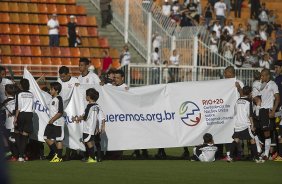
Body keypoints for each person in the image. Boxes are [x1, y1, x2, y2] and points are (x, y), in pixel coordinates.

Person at [227, 86, 264, 163]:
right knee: (252, 140)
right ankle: (257, 158)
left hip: (237, 123)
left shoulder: (238, 100)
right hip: (245, 124)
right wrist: (252, 125)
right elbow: (250, 115)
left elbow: (235, 112)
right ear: (250, 93)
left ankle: (230, 157)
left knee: (236, 139)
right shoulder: (249, 101)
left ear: (243, 92)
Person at [73, 88, 106, 162]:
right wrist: (102, 127)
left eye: (86, 95)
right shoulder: (97, 106)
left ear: (88, 97)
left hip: (88, 128)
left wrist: (76, 119)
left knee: (88, 142)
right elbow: (102, 117)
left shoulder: (89, 106)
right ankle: (98, 157)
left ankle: (92, 158)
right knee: (94, 142)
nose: (85, 97)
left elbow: (85, 117)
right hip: (94, 128)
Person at [259, 69, 280, 160]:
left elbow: (277, 98)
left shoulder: (273, 84)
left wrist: (273, 111)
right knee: (263, 132)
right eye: (261, 75)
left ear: (268, 76)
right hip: (262, 111)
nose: (261, 77)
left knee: (267, 132)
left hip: (268, 110)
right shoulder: (262, 85)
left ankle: (267, 154)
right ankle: (265, 152)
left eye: (263, 76)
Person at [43, 82, 64, 163]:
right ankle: (57, 155)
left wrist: (53, 119)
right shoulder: (52, 99)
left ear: (57, 90)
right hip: (52, 122)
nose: (50, 90)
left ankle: (58, 157)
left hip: (57, 122)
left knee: (59, 140)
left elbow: (60, 112)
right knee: (46, 137)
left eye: (52, 89)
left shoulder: (59, 99)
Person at [14, 79, 34, 162]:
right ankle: (21, 156)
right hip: (29, 114)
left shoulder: (19, 94)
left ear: (21, 85)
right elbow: (33, 106)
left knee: (17, 133)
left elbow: (18, 107)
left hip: (21, 114)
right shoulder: (31, 94)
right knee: (25, 136)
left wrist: (15, 117)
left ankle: (19, 154)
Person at [1, 84, 17, 161]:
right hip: (17, 123)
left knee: (11, 140)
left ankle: (13, 155)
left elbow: (12, 111)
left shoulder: (6, 102)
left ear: (6, 92)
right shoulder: (17, 100)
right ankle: (20, 154)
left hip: (10, 124)